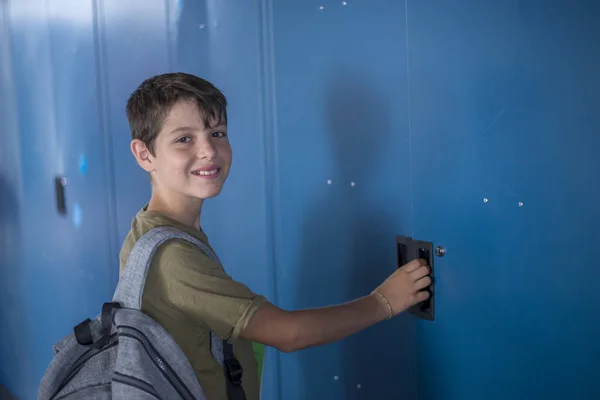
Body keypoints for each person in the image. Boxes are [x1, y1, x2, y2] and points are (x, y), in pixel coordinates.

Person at [119, 72, 431, 400]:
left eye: (217, 132)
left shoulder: (149, 230)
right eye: (184, 139)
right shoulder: (172, 257)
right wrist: (384, 302)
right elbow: (288, 334)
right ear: (144, 155)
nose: (209, 150)